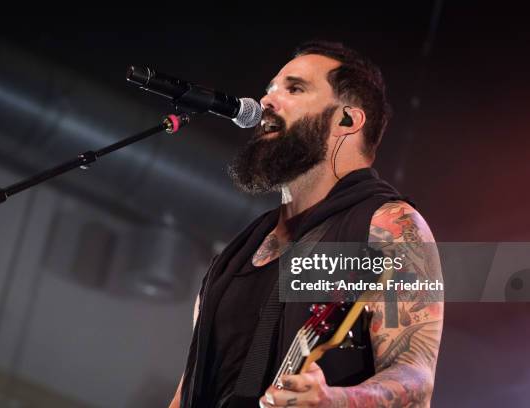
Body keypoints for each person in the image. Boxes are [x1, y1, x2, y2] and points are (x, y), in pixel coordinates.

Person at [169, 40, 443, 408]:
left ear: (346, 119)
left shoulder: (388, 225)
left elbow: (416, 379)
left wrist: (335, 401)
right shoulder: (235, 255)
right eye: (269, 90)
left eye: (294, 88)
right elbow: (187, 391)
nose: (266, 101)